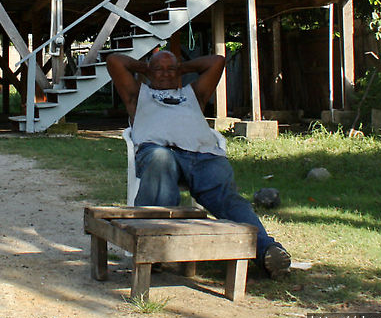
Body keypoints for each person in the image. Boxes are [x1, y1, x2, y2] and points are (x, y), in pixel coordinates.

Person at [106, 49, 291, 278]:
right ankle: (152, 248)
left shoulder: (193, 93)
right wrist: (147, 68)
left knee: (228, 198)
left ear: (180, 71)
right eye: (159, 70)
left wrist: (181, 68)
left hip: (202, 155)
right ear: (149, 72)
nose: (165, 74)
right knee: (161, 161)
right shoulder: (137, 95)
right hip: (158, 151)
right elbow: (114, 61)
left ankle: (266, 251)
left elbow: (218, 61)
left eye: (170, 69)